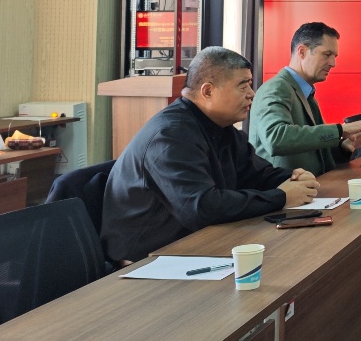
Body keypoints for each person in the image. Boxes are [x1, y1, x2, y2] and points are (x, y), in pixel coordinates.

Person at [101, 47, 320, 263]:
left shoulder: (221, 127)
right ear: (208, 91)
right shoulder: (170, 135)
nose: (251, 94)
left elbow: (255, 174)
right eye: (243, 86)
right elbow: (201, 207)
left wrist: (293, 178)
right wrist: (281, 197)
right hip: (146, 259)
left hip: (198, 242)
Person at [249, 22, 361, 175]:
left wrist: (343, 147)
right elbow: (276, 138)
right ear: (302, 51)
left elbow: (314, 150)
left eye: (334, 56)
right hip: (283, 187)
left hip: (310, 185)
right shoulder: (276, 88)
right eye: (327, 54)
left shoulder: (305, 93)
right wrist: (340, 130)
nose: (333, 63)